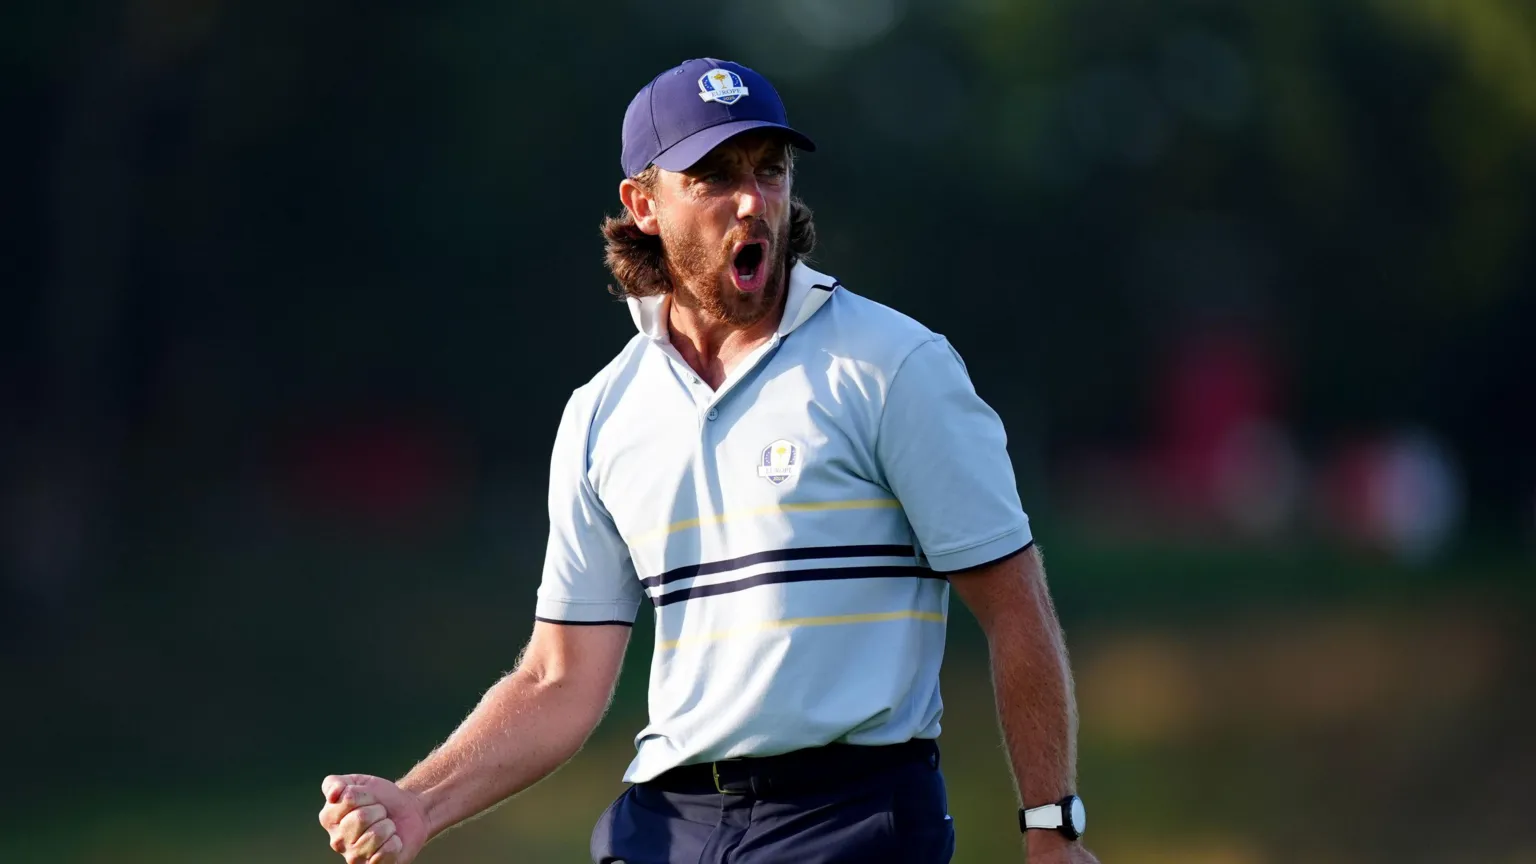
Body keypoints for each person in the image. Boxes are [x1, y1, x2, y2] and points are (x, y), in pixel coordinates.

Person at [318, 57, 1099, 864]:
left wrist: (1052, 831)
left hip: (852, 817)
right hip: (667, 821)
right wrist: (418, 801)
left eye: (770, 169)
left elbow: (1015, 605)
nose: (752, 200)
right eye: (713, 177)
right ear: (643, 203)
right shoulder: (602, 413)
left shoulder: (895, 366)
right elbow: (559, 680)